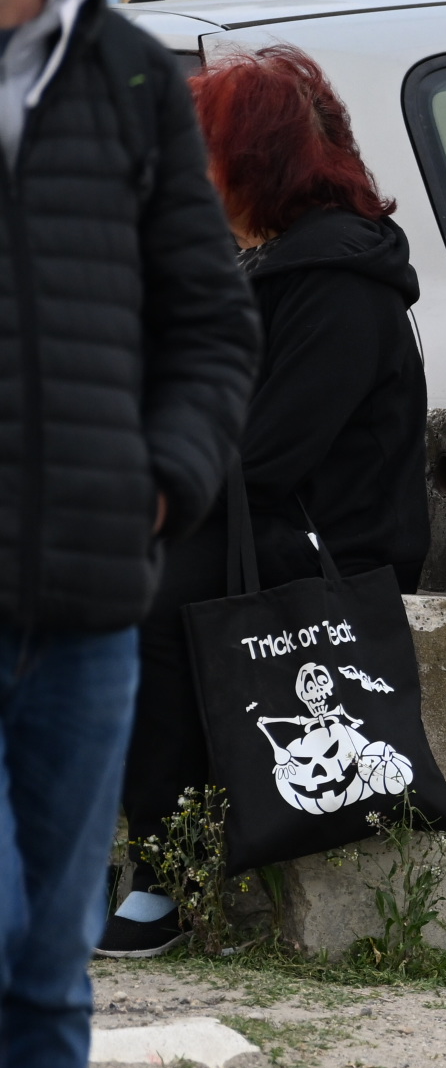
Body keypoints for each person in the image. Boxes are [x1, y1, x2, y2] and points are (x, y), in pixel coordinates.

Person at [0, 0, 256, 1068]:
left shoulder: (127, 80)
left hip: (85, 600)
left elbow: (212, 322)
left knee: (46, 979)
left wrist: (164, 472)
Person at [102, 47, 429, 959]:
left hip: (325, 542)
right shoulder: (268, 261)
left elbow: (269, 451)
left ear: (257, 164)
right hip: (255, 515)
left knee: (147, 602)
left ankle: (168, 875)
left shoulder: (337, 280)